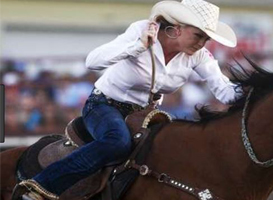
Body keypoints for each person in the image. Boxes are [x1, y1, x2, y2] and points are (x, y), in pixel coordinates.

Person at [16, 0, 241, 199]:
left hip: (145, 115)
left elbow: (223, 89)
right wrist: (137, 47)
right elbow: (93, 62)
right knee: (117, 142)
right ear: (177, 29)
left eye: (207, 38)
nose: (202, 43)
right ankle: (40, 187)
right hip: (103, 104)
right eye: (198, 35)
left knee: (175, 148)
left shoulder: (199, 56)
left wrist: (261, 91)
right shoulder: (141, 30)